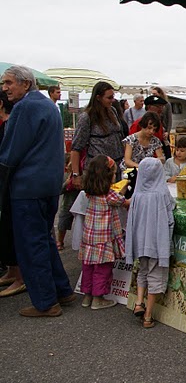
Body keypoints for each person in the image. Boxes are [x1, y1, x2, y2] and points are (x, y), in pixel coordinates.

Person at [0, 65, 75, 316]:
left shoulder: (24, 107)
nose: (5, 88)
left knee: (31, 245)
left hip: (28, 187)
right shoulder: (47, 105)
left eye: (9, 82)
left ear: (26, 84)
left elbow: (10, 152)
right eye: (4, 83)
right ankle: (62, 291)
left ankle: (45, 303)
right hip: (49, 185)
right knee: (45, 240)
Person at [125, 158, 175, 329]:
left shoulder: (137, 195)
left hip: (140, 243)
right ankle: (148, 315)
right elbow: (171, 212)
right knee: (156, 275)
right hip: (156, 242)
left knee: (143, 270)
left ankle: (139, 302)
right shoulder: (162, 194)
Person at [79, 155, 128, 310]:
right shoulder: (109, 195)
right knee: (103, 268)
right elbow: (124, 202)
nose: (115, 177)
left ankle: (87, 296)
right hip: (104, 237)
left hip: (90, 237)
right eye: (113, 174)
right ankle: (98, 298)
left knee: (88, 266)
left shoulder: (90, 192)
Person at [71, 81, 125, 184]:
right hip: (98, 171)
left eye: (113, 97)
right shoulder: (87, 117)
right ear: (98, 98)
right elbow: (76, 148)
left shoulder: (112, 111)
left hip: (116, 168)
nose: (112, 100)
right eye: (109, 98)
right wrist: (76, 174)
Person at [0, 89, 24, 298]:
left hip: (9, 181)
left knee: (10, 227)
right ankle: (11, 270)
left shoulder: (10, 123)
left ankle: (18, 275)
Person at [151, 86, 173, 159]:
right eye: (152, 94)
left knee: (167, 149)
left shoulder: (167, 104)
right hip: (156, 130)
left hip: (164, 131)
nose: (153, 95)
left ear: (160, 94)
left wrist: (168, 132)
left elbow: (169, 119)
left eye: (155, 93)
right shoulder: (152, 105)